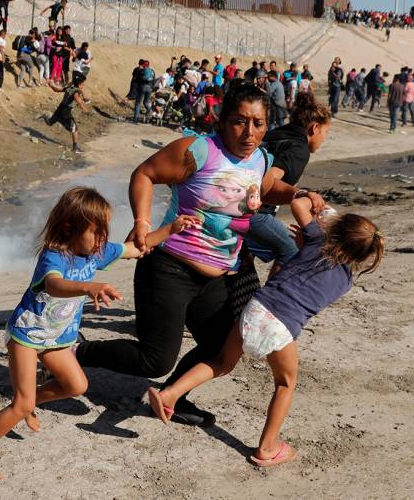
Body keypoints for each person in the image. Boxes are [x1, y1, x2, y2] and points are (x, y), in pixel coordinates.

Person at [75, 86, 325, 427]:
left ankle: (173, 397)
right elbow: (145, 174)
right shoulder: (199, 150)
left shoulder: (260, 158)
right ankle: (76, 352)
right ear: (223, 121)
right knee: (154, 360)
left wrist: (298, 192)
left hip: (219, 274)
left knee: (222, 347)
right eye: (239, 121)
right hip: (168, 267)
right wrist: (142, 222)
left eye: (258, 123)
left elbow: (265, 189)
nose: (249, 132)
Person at [0, 186, 200, 483]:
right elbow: (54, 285)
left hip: (57, 338)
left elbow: (137, 248)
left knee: (76, 385)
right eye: (96, 232)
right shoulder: (55, 257)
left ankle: (29, 403)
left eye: (105, 232)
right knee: (21, 403)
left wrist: (172, 228)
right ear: (69, 228)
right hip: (27, 335)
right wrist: (89, 287)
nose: (102, 241)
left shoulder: (96, 253)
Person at [148, 198, 384, 468]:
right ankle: (267, 448)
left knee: (222, 363)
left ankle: (170, 395)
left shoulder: (316, 238)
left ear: (336, 229)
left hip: (256, 308)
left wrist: (319, 204)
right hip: (282, 326)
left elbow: (298, 204)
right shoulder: (345, 281)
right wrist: (313, 238)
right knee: (285, 384)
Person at [245, 94, 331, 271]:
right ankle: (272, 298)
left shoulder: (276, 134)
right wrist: (300, 194)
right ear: (315, 128)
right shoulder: (299, 150)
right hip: (254, 211)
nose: (323, 139)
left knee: (245, 259)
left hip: (234, 201)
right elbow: (269, 178)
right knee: (292, 250)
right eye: (325, 133)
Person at [42, 71, 89, 154]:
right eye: (82, 84)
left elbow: (57, 89)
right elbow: (77, 98)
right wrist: (83, 107)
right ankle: (75, 148)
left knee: (49, 123)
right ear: (79, 85)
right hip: (65, 113)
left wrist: (50, 84)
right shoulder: (77, 91)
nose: (83, 86)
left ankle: (45, 116)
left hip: (60, 109)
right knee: (74, 128)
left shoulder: (69, 87)